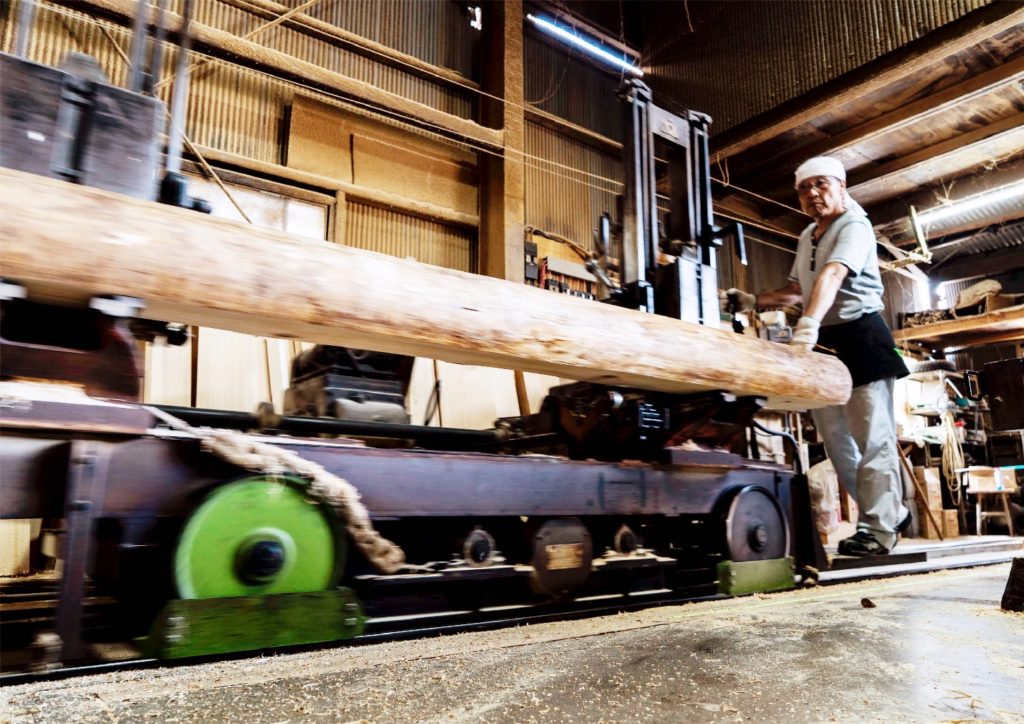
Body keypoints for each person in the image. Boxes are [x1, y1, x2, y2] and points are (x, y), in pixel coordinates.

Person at [727, 156, 910, 556]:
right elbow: (796, 289)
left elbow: (833, 275)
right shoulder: (808, 233)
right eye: (804, 188)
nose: (812, 194)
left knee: (873, 440)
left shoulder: (855, 227)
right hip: (827, 343)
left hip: (861, 338)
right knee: (837, 444)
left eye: (821, 184)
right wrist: (753, 300)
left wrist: (807, 324)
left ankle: (881, 530)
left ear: (841, 186)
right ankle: (889, 510)